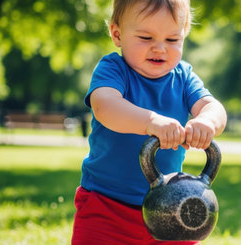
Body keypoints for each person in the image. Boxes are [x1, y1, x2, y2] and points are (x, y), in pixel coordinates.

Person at [71, 0, 227, 244]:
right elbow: (105, 106)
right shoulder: (113, 69)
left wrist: (207, 122)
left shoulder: (184, 77)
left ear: (184, 34)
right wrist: (151, 121)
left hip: (172, 204)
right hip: (106, 206)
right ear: (117, 34)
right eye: (145, 37)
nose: (160, 49)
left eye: (172, 40)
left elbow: (213, 107)